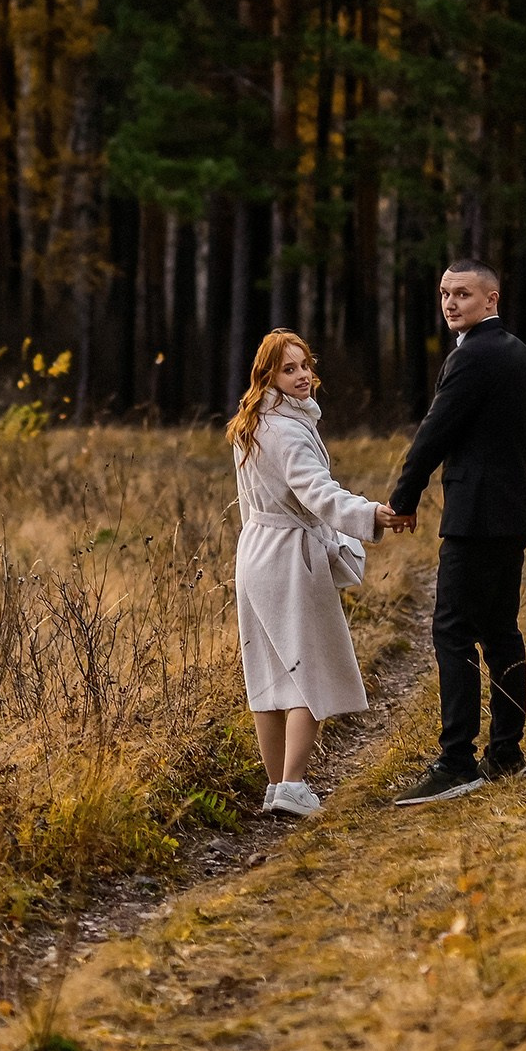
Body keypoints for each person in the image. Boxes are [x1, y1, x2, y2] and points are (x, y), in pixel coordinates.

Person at [379, 258, 526, 806]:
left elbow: (434, 433)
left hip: (477, 516)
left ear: (492, 299)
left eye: (464, 295)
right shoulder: (517, 352)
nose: (451, 303)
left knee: (452, 630)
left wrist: (404, 497)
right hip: (513, 509)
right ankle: (506, 753)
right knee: (500, 630)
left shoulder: (473, 356)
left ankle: (456, 762)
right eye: (445, 293)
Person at [227, 328, 392, 818]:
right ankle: (294, 785)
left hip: (254, 549)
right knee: (306, 672)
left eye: (305, 366)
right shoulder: (287, 429)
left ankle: (277, 784)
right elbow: (318, 492)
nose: (303, 377)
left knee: (269, 675)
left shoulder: (251, 423)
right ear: (268, 375)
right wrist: (371, 515)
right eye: (289, 369)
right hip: (288, 555)